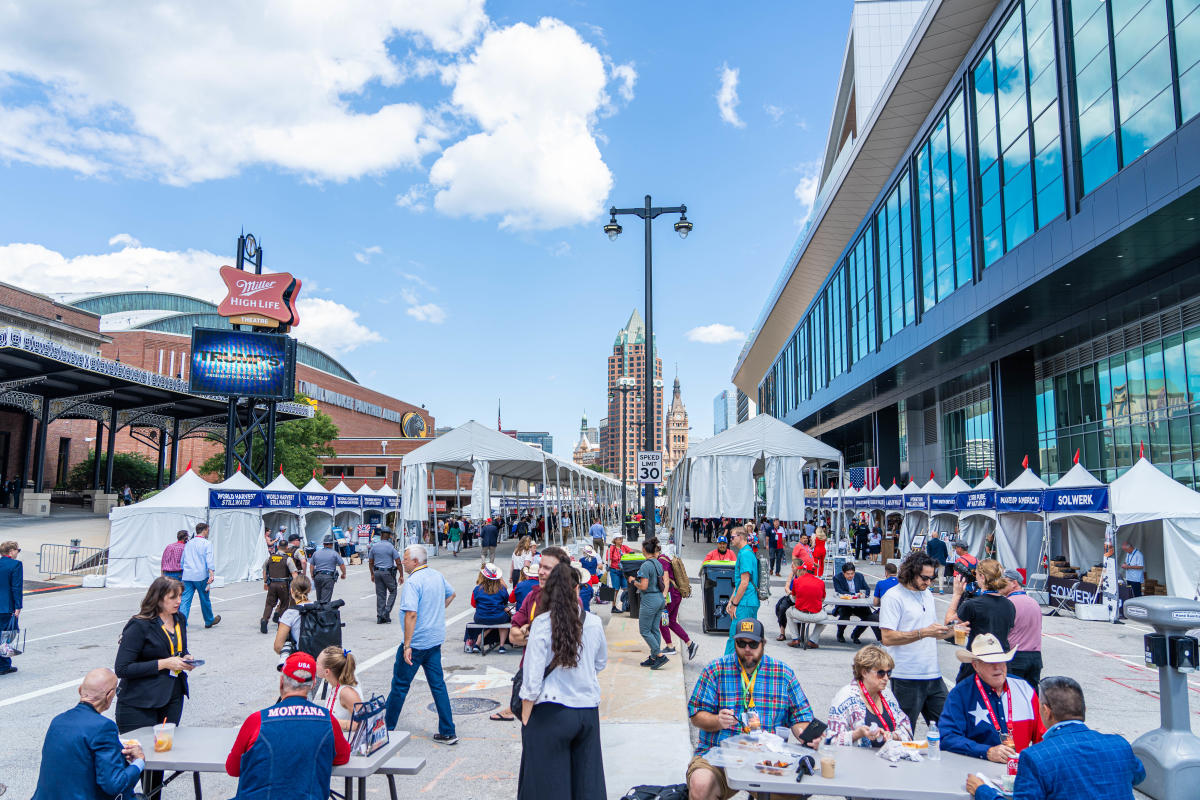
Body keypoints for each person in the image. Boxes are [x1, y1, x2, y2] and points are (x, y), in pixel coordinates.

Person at [686, 619, 818, 800]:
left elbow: (800, 716)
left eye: (753, 644)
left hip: (769, 758)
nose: (747, 649)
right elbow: (696, 715)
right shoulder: (715, 669)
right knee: (701, 785)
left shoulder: (783, 673)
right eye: (742, 643)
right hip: (720, 753)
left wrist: (806, 734)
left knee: (796, 791)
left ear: (763, 643)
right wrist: (717, 720)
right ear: (735, 643)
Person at [966, 676, 1146, 800]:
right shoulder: (1119, 745)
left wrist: (983, 792)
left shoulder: (1036, 757)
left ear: (1046, 711)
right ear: (1084, 709)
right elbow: (1138, 776)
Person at [517, 561, 608, 800]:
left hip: (550, 710)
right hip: (587, 711)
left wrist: (526, 714)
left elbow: (532, 677)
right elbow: (600, 663)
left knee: (548, 787)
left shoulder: (541, 624)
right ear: (577, 589)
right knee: (587, 785)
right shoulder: (595, 623)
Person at [225, 652, 350, 797]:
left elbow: (233, 769)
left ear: (281, 682)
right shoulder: (327, 721)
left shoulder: (257, 720)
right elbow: (342, 757)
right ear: (313, 684)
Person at [31, 668, 147, 800]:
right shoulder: (103, 727)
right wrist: (139, 761)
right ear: (109, 696)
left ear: (80, 690)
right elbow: (114, 785)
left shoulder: (57, 720)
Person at [383, 544, 458, 744]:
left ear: (416, 561)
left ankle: (386, 728)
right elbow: (451, 594)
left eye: (405, 559)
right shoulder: (436, 575)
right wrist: (436, 612)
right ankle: (448, 730)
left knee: (399, 685)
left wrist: (407, 645)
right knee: (438, 685)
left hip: (416, 642)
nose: (403, 562)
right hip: (434, 640)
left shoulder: (413, 582)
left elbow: (411, 613)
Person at [940, 633, 1044, 761]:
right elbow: (947, 737)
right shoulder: (961, 694)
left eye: (1001, 660)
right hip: (977, 770)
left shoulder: (1025, 689)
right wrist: (986, 752)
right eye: (990, 662)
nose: (997, 667)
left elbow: (1042, 737)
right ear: (975, 665)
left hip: (1019, 771)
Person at [879, 551, 952, 728]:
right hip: (906, 676)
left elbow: (932, 632)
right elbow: (887, 637)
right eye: (924, 578)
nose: (929, 582)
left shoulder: (926, 594)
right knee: (903, 732)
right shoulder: (893, 596)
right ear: (910, 572)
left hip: (933, 674)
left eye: (932, 578)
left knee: (948, 729)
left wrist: (954, 631)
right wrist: (923, 633)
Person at [827, 644, 914, 747]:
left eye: (889, 673)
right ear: (864, 672)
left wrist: (891, 736)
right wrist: (857, 734)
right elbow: (830, 741)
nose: (886, 678)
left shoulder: (887, 694)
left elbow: (907, 731)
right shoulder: (845, 697)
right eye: (881, 673)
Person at [946, 559, 1016, 685]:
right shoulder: (1010, 605)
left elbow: (949, 623)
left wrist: (956, 595)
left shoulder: (972, 605)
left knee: (966, 699)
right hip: (1002, 660)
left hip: (978, 661)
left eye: (977, 575)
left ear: (982, 577)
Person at [1002, 568, 1044, 687]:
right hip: (1035, 657)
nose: (998, 585)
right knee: (1032, 698)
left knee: (1014, 696)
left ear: (1014, 583)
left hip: (1016, 656)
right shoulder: (1033, 602)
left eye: (1002, 581)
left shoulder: (1008, 603)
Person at [723, 526, 761, 656]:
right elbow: (740, 582)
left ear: (740, 536)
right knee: (746, 637)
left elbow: (744, 583)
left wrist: (734, 604)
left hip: (745, 602)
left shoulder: (745, 554)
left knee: (736, 637)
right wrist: (731, 600)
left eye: (732, 537)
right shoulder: (746, 552)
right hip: (748, 601)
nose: (731, 540)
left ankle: (727, 668)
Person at [657, 544, 698, 660]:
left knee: (663, 621)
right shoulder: (669, 559)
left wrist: (664, 597)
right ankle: (690, 644)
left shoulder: (662, 560)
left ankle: (670, 646)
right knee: (671, 622)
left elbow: (666, 580)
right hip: (676, 594)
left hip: (669, 595)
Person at [311, 645, 363, 732]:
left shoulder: (346, 692)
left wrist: (328, 721)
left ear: (327, 671)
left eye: (317, 663)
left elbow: (362, 724)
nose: (314, 664)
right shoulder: (335, 684)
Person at [635, 538, 668, 669]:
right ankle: (654, 657)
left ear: (644, 550)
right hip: (659, 598)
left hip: (649, 600)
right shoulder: (658, 563)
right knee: (654, 629)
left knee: (644, 630)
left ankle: (659, 655)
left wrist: (633, 581)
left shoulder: (645, 565)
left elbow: (643, 586)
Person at [180, 523, 220, 629]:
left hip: (188, 575)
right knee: (204, 599)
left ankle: (181, 623)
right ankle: (209, 620)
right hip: (201, 576)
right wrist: (211, 574)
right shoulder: (207, 543)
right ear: (205, 530)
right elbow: (209, 560)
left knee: (185, 600)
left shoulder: (188, 543)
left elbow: (182, 561)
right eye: (208, 530)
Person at [784, 558, 829, 649]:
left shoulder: (797, 581)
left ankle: (795, 639)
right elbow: (823, 599)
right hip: (816, 615)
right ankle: (812, 640)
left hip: (800, 613)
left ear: (804, 570)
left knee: (788, 612)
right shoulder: (821, 582)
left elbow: (794, 597)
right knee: (826, 617)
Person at [832, 562, 881, 644]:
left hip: (859, 604)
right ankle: (840, 634)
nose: (850, 576)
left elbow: (867, 589)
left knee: (869, 617)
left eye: (852, 573)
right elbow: (839, 591)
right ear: (843, 573)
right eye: (848, 574)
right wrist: (854, 595)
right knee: (844, 617)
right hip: (845, 604)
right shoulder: (837, 578)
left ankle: (855, 635)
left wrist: (864, 594)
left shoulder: (859, 576)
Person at [468, 563, 511, 653]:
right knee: (504, 619)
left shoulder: (477, 589)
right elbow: (506, 601)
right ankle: (502, 646)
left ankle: (477, 643)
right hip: (498, 617)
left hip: (480, 617)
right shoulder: (501, 588)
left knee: (489, 619)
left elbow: (473, 604)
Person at [260, 541, 297, 634]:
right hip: (283, 584)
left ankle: (264, 619)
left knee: (269, 604)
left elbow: (264, 569)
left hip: (272, 584)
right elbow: (294, 573)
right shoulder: (288, 559)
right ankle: (281, 623)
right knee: (284, 604)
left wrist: (265, 581)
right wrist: (296, 586)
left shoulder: (270, 558)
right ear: (287, 547)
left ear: (277, 546)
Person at [368, 528, 403, 625]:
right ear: (387, 535)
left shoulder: (374, 547)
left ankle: (380, 617)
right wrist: (401, 575)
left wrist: (372, 574)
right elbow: (398, 562)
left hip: (377, 572)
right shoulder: (391, 547)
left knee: (380, 595)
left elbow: (370, 562)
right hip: (387, 573)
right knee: (393, 591)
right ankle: (386, 612)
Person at [273, 575, 313, 656]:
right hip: (321, 657)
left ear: (291, 591)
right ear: (309, 589)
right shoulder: (319, 608)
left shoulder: (290, 613)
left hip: (302, 657)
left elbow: (278, 647)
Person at [0, 540, 23, 676]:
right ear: (11, 551)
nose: (17, 553)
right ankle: (3, 665)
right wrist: (18, 606)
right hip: (6, 606)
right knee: (6, 635)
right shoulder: (15, 565)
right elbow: (16, 587)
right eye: (17, 550)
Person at [310, 533, 347, 604]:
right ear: (331, 544)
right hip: (328, 577)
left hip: (317, 576)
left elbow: (311, 565)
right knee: (325, 600)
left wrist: (312, 575)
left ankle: (319, 612)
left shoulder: (316, 553)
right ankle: (324, 614)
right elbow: (342, 565)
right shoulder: (334, 553)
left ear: (323, 544)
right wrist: (343, 574)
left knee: (319, 598)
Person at [605, 535, 632, 612]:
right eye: (619, 539)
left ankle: (626, 605)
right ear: (615, 540)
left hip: (623, 571)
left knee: (626, 588)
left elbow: (631, 553)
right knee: (615, 589)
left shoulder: (624, 547)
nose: (621, 540)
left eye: (621, 538)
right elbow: (608, 559)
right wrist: (608, 565)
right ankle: (613, 607)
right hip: (615, 571)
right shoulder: (611, 548)